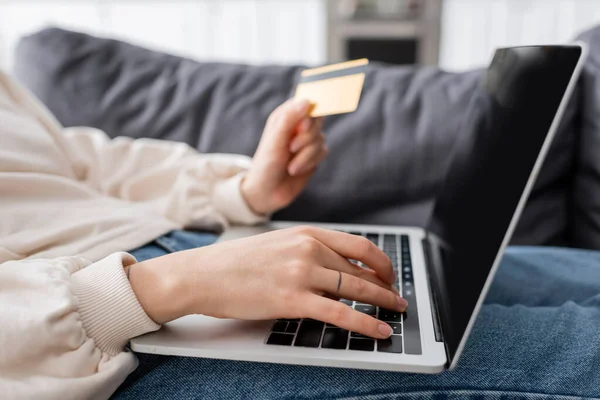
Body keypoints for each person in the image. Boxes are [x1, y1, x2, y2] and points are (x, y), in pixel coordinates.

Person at [0, 70, 598, 400]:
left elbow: (84, 165)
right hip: (108, 346)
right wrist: (152, 289)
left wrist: (240, 194)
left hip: (186, 257)